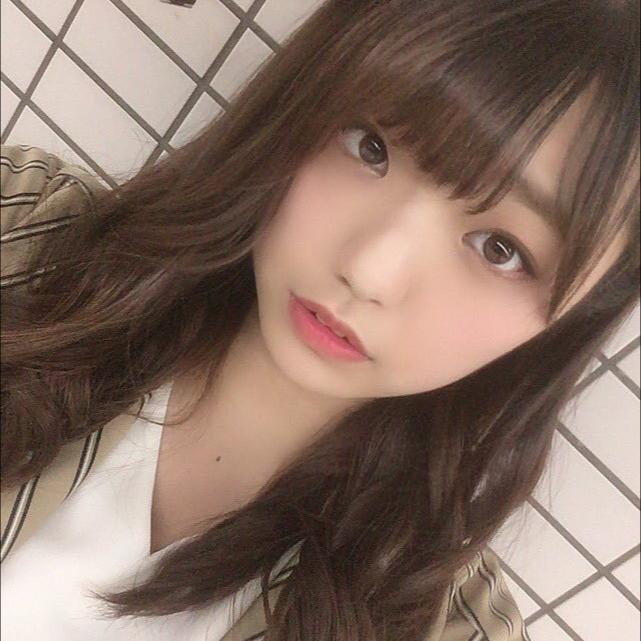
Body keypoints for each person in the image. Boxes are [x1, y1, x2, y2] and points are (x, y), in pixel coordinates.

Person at [1, 1, 639, 639]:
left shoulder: (445, 629)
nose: (368, 271)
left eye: (500, 249)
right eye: (370, 148)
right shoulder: (22, 232)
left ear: (577, 315)